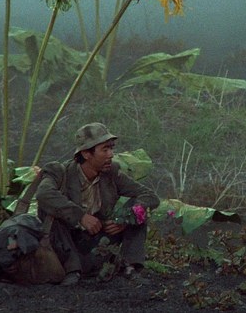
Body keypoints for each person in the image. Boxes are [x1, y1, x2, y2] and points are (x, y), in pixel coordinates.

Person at [36, 122, 160, 286]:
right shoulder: (60, 172)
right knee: (50, 209)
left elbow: (150, 196)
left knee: (137, 209)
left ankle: (130, 269)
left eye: (111, 148)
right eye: (105, 149)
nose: (111, 155)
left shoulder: (111, 173)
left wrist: (123, 220)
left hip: (96, 245)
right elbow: (43, 194)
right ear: (86, 154)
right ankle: (72, 271)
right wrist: (80, 216)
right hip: (63, 248)